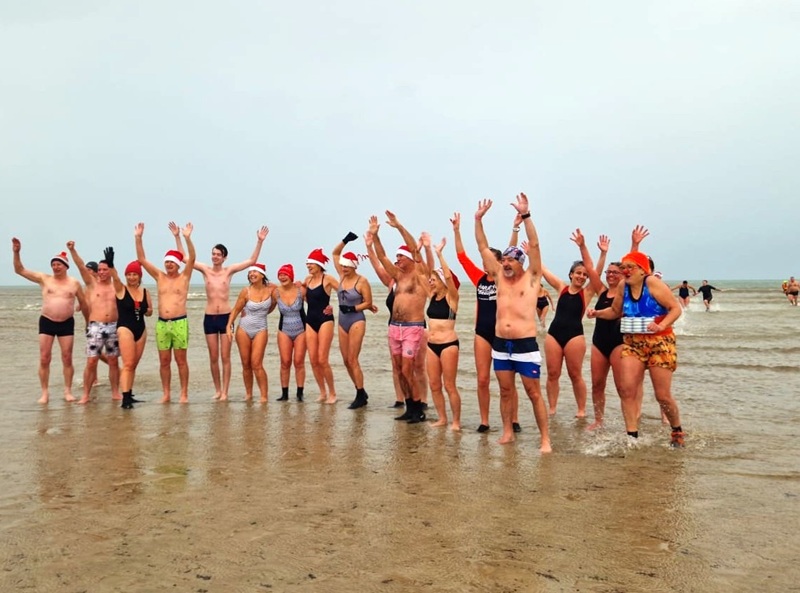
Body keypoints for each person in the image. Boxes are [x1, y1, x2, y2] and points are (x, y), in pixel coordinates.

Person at [474, 194, 551, 452]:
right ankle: (507, 432)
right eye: (504, 260)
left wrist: (527, 217)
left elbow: (538, 246)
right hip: (500, 345)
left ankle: (545, 440)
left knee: (533, 393)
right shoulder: (498, 278)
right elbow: (483, 247)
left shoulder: (531, 279)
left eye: (511, 260)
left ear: (521, 263)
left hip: (525, 346)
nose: (506, 263)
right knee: (506, 392)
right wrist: (478, 220)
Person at [588, 250, 685, 447]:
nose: (625, 271)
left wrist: (662, 325)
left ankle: (677, 430)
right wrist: (596, 313)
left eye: (629, 267)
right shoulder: (623, 286)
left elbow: (676, 309)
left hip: (660, 342)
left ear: (642, 270)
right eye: (623, 267)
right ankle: (632, 436)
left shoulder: (652, 284)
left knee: (662, 396)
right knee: (627, 390)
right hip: (633, 342)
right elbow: (615, 311)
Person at [452, 211, 521, 433]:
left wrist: (515, 229)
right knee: (482, 380)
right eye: (483, 260)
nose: (485, 263)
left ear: (500, 262)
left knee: (507, 382)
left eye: (490, 260)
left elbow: (512, 251)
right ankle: (484, 421)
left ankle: (513, 419)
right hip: (482, 332)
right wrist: (456, 230)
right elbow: (462, 256)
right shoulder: (478, 278)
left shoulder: (505, 277)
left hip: (503, 333)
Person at [188, 223, 268, 402]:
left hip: (225, 317)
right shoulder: (205, 270)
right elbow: (187, 259)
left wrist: (259, 242)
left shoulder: (229, 271)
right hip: (209, 317)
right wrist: (183, 238)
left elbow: (251, 261)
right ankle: (217, 390)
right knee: (213, 357)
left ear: (224, 257)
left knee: (225, 357)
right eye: (213, 254)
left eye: (218, 254)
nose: (215, 257)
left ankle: (225, 391)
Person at [370, 211, 431, 424]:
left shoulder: (419, 275)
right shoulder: (397, 276)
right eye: (397, 257)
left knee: (408, 369)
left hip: (413, 327)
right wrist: (375, 237)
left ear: (410, 259)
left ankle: (418, 407)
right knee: (398, 369)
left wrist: (399, 227)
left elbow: (414, 248)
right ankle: (409, 407)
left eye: (400, 257)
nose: (397, 260)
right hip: (394, 327)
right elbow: (381, 256)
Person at [12, 239, 89, 404]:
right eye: (53, 264)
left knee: (67, 357)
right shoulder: (44, 278)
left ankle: (67, 391)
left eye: (59, 264)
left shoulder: (74, 283)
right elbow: (19, 270)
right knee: (44, 358)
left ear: (66, 266)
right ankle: (45, 392)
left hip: (66, 323)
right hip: (47, 321)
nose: (55, 267)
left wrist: (88, 322)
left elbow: (83, 303)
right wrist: (16, 252)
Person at [541, 229, 604, 418]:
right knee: (552, 373)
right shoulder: (561, 288)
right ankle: (552, 408)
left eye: (584, 275)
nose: (581, 277)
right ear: (571, 274)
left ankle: (581, 410)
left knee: (575, 374)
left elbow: (597, 272)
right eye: (578, 273)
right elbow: (544, 271)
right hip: (554, 335)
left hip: (575, 336)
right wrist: (531, 253)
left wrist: (601, 253)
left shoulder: (587, 292)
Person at [134, 222, 196, 403]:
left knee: (181, 361)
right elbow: (142, 259)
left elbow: (191, 258)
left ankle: (184, 393)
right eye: (167, 261)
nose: (169, 264)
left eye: (172, 262)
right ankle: (166, 393)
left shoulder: (185, 277)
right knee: (164, 361)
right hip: (162, 324)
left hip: (179, 322)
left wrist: (186, 238)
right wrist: (138, 238)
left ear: (177, 264)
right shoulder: (159, 276)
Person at [66, 242, 122, 404]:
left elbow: (118, 279)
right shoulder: (92, 284)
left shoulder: (115, 286)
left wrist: (112, 265)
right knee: (91, 361)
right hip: (95, 326)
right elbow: (81, 266)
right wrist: (72, 250)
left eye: (105, 270)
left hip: (113, 326)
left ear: (110, 271)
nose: (102, 273)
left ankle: (115, 392)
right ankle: (85, 395)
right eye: (100, 270)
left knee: (113, 360)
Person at [332, 233, 376, 409]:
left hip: (356, 319)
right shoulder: (341, 277)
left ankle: (360, 394)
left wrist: (353, 308)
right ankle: (360, 390)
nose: (343, 269)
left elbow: (369, 302)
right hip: (342, 320)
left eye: (347, 267)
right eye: (342, 266)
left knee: (353, 358)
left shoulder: (362, 281)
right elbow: (335, 254)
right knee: (345, 360)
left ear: (354, 267)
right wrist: (345, 240)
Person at [426, 238, 462, 430]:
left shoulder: (451, 297)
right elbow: (420, 272)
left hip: (448, 345)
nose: (431, 281)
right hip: (431, 345)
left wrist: (439, 254)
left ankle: (456, 422)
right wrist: (424, 249)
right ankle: (442, 418)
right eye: (430, 279)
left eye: (434, 279)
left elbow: (448, 277)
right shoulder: (431, 296)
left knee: (449, 385)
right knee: (434, 384)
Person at [227, 263, 275, 402]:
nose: (252, 274)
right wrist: (228, 326)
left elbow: (283, 295)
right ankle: (248, 394)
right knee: (246, 364)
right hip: (244, 329)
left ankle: (264, 396)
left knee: (257, 364)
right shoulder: (245, 291)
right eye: (250, 272)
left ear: (262, 275)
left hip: (261, 328)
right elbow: (236, 310)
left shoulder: (271, 289)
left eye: (255, 272)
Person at [110, 260, 153, 408]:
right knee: (127, 364)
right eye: (129, 274)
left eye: (135, 274)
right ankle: (125, 399)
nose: (132, 277)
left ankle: (129, 393)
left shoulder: (145, 292)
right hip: (125, 328)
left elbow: (150, 312)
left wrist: (145, 310)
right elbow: (115, 278)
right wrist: (111, 266)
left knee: (133, 365)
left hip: (141, 329)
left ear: (139, 276)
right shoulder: (121, 289)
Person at [303, 249, 339, 403]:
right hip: (310, 320)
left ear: (318, 264)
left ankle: (333, 394)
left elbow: (344, 292)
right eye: (307, 263)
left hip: (325, 320)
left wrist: (334, 306)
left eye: (311, 263)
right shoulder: (308, 280)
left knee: (323, 359)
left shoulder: (328, 279)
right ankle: (322, 392)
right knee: (313, 359)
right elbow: (306, 298)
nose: (308, 266)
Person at [272, 263, 307, 402]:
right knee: (285, 362)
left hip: (301, 330)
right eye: (280, 275)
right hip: (284, 330)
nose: (282, 277)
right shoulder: (275, 292)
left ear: (291, 276)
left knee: (299, 362)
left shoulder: (300, 290)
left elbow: (316, 301)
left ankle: (300, 393)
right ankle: (284, 394)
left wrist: (328, 308)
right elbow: (267, 306)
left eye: (285, 274)